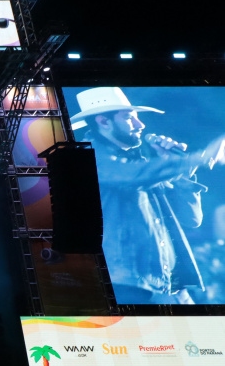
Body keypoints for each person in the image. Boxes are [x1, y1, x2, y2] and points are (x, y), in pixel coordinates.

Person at [71, 87, 225, 304]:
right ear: (104, 122)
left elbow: (190, 219)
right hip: (126, 284)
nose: (140, 125)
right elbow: (129, 176)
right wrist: (195, 158)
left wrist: (180, 172)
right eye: (129, 118)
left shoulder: (143, 167)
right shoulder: (87, 157)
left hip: (169, 285)